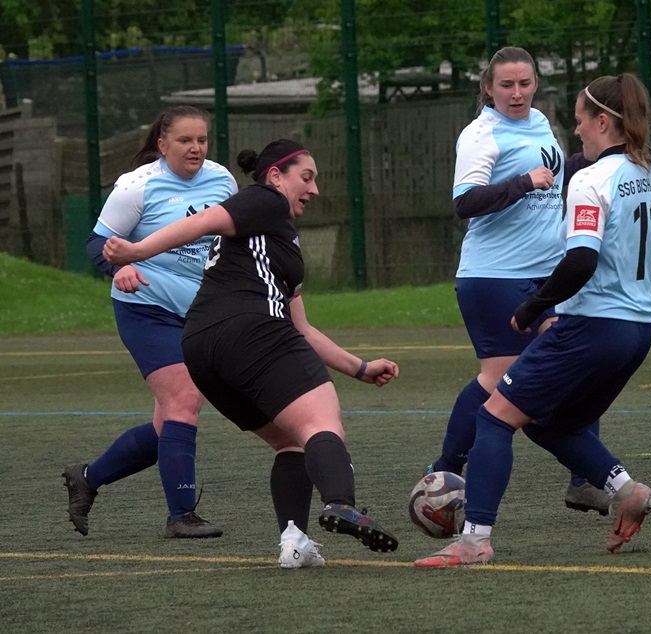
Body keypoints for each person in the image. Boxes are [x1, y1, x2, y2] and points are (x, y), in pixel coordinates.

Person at [415, 73, 651, 567]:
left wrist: (534, 306)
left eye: (580, 121)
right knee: (548, 422)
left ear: (602, 121)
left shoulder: (592, 179)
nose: (575, 131)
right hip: (641, 330)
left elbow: (580, 260)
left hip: (592, 327)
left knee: (493, 416)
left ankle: (474, 540)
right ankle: (626, 490)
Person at [103, 139, 401, 566]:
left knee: (290, 442)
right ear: (276, 176)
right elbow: (204, 220)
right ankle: (340, 503)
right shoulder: (266, 199)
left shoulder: (275, 237)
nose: (314, 189)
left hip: (203, 348)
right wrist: (136, 251)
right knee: (321, 423)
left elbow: (303, 328)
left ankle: (294, 542)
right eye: (307, 177)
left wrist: (361, 368)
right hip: (253, 332)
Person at [427, 46, 610, 515]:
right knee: (497, 381)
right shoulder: (480, 133)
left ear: (535, 84)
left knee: (577, 368)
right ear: (488, 87)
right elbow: (465, 202)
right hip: (495, 277)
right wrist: (524, 182)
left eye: (524, 83)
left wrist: (594, 164)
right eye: (506, 85)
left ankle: (583, 480)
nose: (516, 93)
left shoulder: (541, 122)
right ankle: (443, 474)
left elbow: (553, 179)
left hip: (549, 274)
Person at [63, 105, 237, 538]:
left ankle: (88, 477)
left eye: (201, 139)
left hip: (199, 313)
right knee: (185, 400)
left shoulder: (223, 180)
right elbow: (97, 243)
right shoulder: (137, 186)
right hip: (146, 308)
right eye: (184, 140)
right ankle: (181, 516)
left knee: (168, 426)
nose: (195, 148)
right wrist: (118, 268)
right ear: (162, 144)